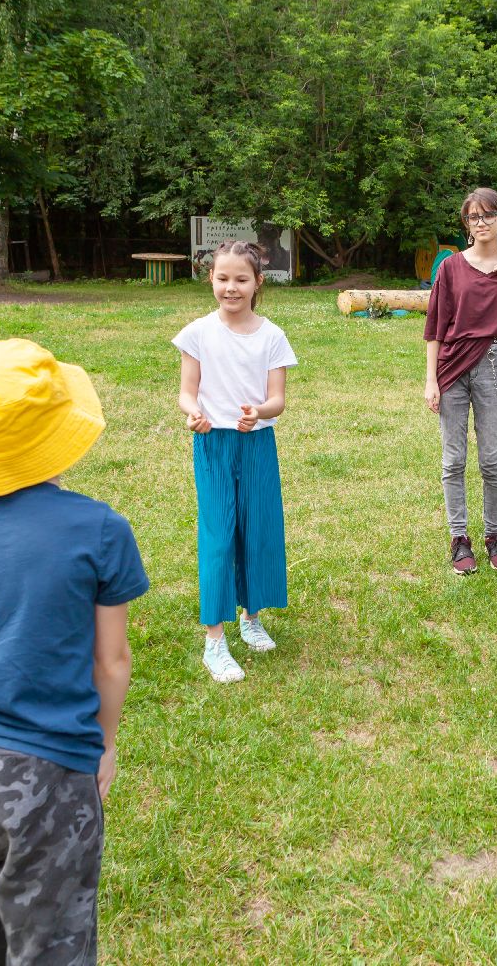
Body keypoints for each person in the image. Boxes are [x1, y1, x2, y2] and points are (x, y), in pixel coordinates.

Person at [0, 338, 148, 966]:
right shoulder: (102, 530)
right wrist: (101, 746)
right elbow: (112, 661)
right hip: (49, 771)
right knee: (50, 947)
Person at [174, 240, 298, 683]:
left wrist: (259, 413)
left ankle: (251, 616)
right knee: (220, 537)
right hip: (213, 445)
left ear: (257, 283)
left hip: (257, 445)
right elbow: (188, 390)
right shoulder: (197, 333)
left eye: (241, 279)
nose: (231, 287)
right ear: (211, 280)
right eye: (223, 278)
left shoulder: (272, 336)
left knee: (258, 531)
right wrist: (193, 412)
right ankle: (215, 642)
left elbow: (277, 400)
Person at [423, 187, 497, 575]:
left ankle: (494, 536)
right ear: (466, 224)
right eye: (474, 217)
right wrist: (430, 380)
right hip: (452, 365)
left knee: (491, 459)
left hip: (493, 362)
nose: (481, 223)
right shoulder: (451, 268)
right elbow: (435, 327)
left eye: (489, 215)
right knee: (453, 459)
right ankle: (459, 539)